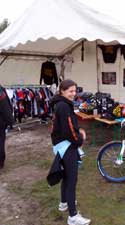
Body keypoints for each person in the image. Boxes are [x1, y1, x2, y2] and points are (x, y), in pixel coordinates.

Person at [50, 79, 91, 225]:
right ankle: (73, 216)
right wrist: (79, 139)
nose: (73, 94)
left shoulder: (61, 104)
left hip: (61, 144)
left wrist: (77, 129)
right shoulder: (63, 106)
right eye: (70, 91)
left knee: (66, 176)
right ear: (62, 91)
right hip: (67, 146)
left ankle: (63, 203)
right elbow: (68, 130)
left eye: (75, 91)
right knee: (71, 180)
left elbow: (66, 125)